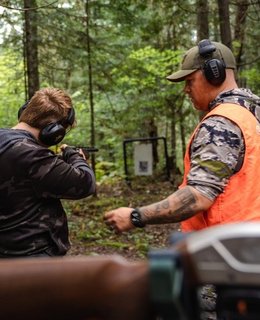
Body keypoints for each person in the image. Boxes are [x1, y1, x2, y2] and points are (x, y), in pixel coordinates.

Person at [104, 39, 260, 234]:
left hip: (226, 248)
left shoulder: (221, 122)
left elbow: (199, 195)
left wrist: (136, 216)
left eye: (189, 81)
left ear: (214, 73)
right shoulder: (252, 115)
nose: (186, 89)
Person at [0, 87, 96, 257]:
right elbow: (85, 184)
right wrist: (75, 156)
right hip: (30, 257)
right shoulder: (33, 155)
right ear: (54, 132)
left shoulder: (8, 143)